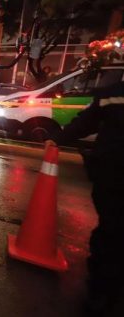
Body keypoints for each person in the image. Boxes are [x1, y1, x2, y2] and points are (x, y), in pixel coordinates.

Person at [44, 80, 124, 315]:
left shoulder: (114, 93)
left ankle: (101, 293)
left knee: (110, 232)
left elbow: (85, 122)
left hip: (113, 173)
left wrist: (57, 139)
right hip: (113, 173)